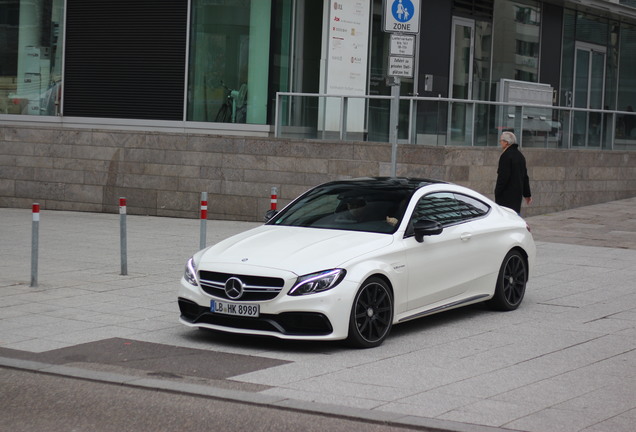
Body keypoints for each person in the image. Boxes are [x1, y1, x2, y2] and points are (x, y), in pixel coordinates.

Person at [495, 131, 532, 214]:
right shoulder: (520, 156)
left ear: (506, 142)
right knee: (514, 216)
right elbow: (525, 177)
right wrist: (527, 194)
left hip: (506, 195)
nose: (500, 143)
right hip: (516, 195)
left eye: (501, 141)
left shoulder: (506, 156)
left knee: (505, 218)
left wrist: (497, 192)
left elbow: (503, 177)